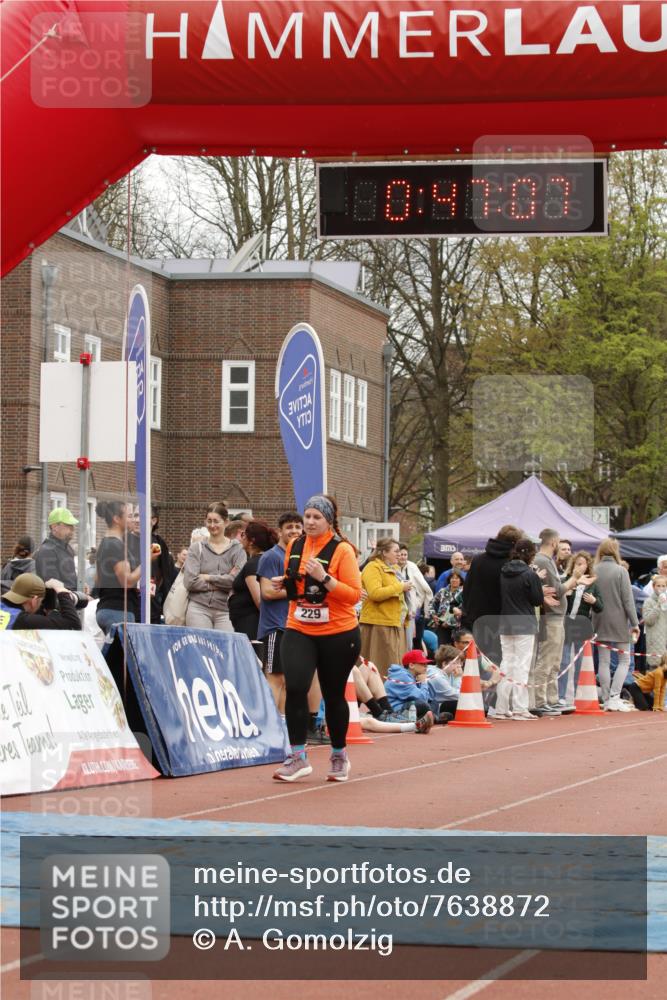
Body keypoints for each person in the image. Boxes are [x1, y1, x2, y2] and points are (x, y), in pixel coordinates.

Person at [272, 495, 362, 783]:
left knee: (333, 694)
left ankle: (338, 754)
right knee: (296, 686)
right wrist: (285, 584)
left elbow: (353, 596)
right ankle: (298, 756)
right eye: (306, 517)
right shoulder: (295, 546)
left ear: (328, 521)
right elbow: (294, 585)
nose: (308, 523)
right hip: (299, 627)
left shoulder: (343, 551)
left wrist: (324, 578)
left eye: (315, 518)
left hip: (338, 631)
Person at [530, 529, 592, 717]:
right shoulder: (542, 560)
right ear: (554, 542)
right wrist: (574, 578)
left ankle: (552, 699)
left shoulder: (547, 561)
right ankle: (541, 700)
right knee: (547, 660)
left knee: (555, 661)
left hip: (557, 616)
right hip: (551, 617)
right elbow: (557, 590)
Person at [257, 512, 304, 713]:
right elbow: (267, 592)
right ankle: (269, 724)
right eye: (289, 527)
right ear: (280, 531)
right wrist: (298, 592)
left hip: (295, 626)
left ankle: (283, 726)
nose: (294, 530)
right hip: (275, 627)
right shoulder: (271, 557)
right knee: (275, 677)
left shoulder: (301, 558)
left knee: (288, 680)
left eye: (297, 526)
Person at [495, 537, 545, 721]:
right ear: (530, 554)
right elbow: (537, 600)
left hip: (505, 621)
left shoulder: (503, 571)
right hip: (524, 622)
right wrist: (537, 581)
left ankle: (501, 707)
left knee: (506, 664)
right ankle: (519, 708)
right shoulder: (529, 574)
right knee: (522, 666)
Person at [460, 525, 523, 665]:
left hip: (476, 620)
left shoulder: (477, 560)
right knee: (497, 665)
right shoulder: (511, 564)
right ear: (514, 544)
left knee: (475, 664)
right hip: (500, 622)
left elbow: (467, 589)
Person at [592, 538, 640, 712]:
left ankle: (605, 698)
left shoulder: (594, 570)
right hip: (619, 621)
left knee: (603, 661)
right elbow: (628, 601)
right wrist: (635, 623)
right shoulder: (621, 571)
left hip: (598, 620)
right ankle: (614, 696)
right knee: (624, 659)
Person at [183, 503, 246, 631]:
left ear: (226, 522)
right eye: (209, 521)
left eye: (216, 521)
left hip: (226, 610)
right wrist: (221, 582)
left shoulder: (238, 550)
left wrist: (208, 577)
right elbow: (190, 581)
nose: (212, 525)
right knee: (200, 649)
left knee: (224, 650)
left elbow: (236, 581)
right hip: (198, 608)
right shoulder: (196, 548)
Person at [359, 537, 412, 678]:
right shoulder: (372, 567)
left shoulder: (394, 569)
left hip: (394, 624)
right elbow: (375, 593)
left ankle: (390, 697)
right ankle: (378, 697)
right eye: (395, 551)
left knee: (393, 667)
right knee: (381, 667)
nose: (399, 554)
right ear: (384, 552)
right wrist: (400, 587)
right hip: (378, 625)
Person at [559, 550, 604, 706]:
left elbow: (600, 607)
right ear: (572, 566)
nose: (579, 567)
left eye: (582, 564)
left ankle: (577, 695)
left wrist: (593, 601)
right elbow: (557, 600)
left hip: (583, 625)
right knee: (564, 661)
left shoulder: (593, 583)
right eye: (577, 564)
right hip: (566, 624)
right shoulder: (566, 580)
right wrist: (567, 592)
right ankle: (561, 696)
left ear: (587, 566)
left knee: (579, 663)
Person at [94, 501, 141, 637]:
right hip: (118, 611)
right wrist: (147, 561)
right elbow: (127, 582)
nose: (134, 520)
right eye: (130, 516)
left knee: (114, 656)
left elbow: (97, 578)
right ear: (116, 519)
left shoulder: (105, 543)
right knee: (123, 657)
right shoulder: (115, 545)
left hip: (107, 609)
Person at [229, 520, 278, 640]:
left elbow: (259, 600)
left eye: (243, 534)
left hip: (251, 625)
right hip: (247, 622)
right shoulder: (262, 560)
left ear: (252, 541)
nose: (241, 537)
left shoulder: (254, 564)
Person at [34, 508, 86, 600]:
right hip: (58, 606)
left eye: (73, 525)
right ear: (54, 527)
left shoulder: (67, 548)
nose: (72, 529)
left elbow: (67, 576)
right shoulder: (47, 551)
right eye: (68, 525)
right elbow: (52, 584)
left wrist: (79, 583)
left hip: (70, 601)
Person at [1, 573, 81, 631]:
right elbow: (73, 624)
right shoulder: (22, 620)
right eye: (41, 601)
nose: (41, 605)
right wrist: (62, 591)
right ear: (34, 601)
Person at [384, 650, 436, 728]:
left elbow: (431, 697)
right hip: (394, 711)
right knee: (421, 705)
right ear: (411, 665)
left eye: (426, 664)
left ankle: (431, 718)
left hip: (406, 706)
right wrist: (424, 682)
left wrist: (423, 682)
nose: (426, 666)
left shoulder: (413, 676)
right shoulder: (402, 676)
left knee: (434, 703)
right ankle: (432, 718)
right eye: (422, 664)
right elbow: (422, 699)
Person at [396, 545, 433, 649]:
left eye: (405, 555)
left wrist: (418, 604)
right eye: (400, 554)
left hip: (410, 611)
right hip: (396, 609)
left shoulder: (412, 567)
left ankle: (407, 663)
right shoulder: (391, 567)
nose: (403, 557)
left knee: (409, 640)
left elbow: (424, 588)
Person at [429, 570, 464, 646]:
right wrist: (433, 615)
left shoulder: (463, 593)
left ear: (461, 580)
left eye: (457, 578)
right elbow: (431, 603)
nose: (454, 580)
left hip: (456, 626)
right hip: (441, 625)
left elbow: (462, 610)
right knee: (442, 647)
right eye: (452, 578)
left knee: (455, 649)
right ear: (449, 579)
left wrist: (448, 622)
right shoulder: (442, 591)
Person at [642, 575, 667, 668]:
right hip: (655, 640)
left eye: (663, 586)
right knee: (655, 669)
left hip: (665, 639)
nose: (661, 588)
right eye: (658, 586)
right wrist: (658, 605)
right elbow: (648, 621)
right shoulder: (648, 601)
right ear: (653, 586)